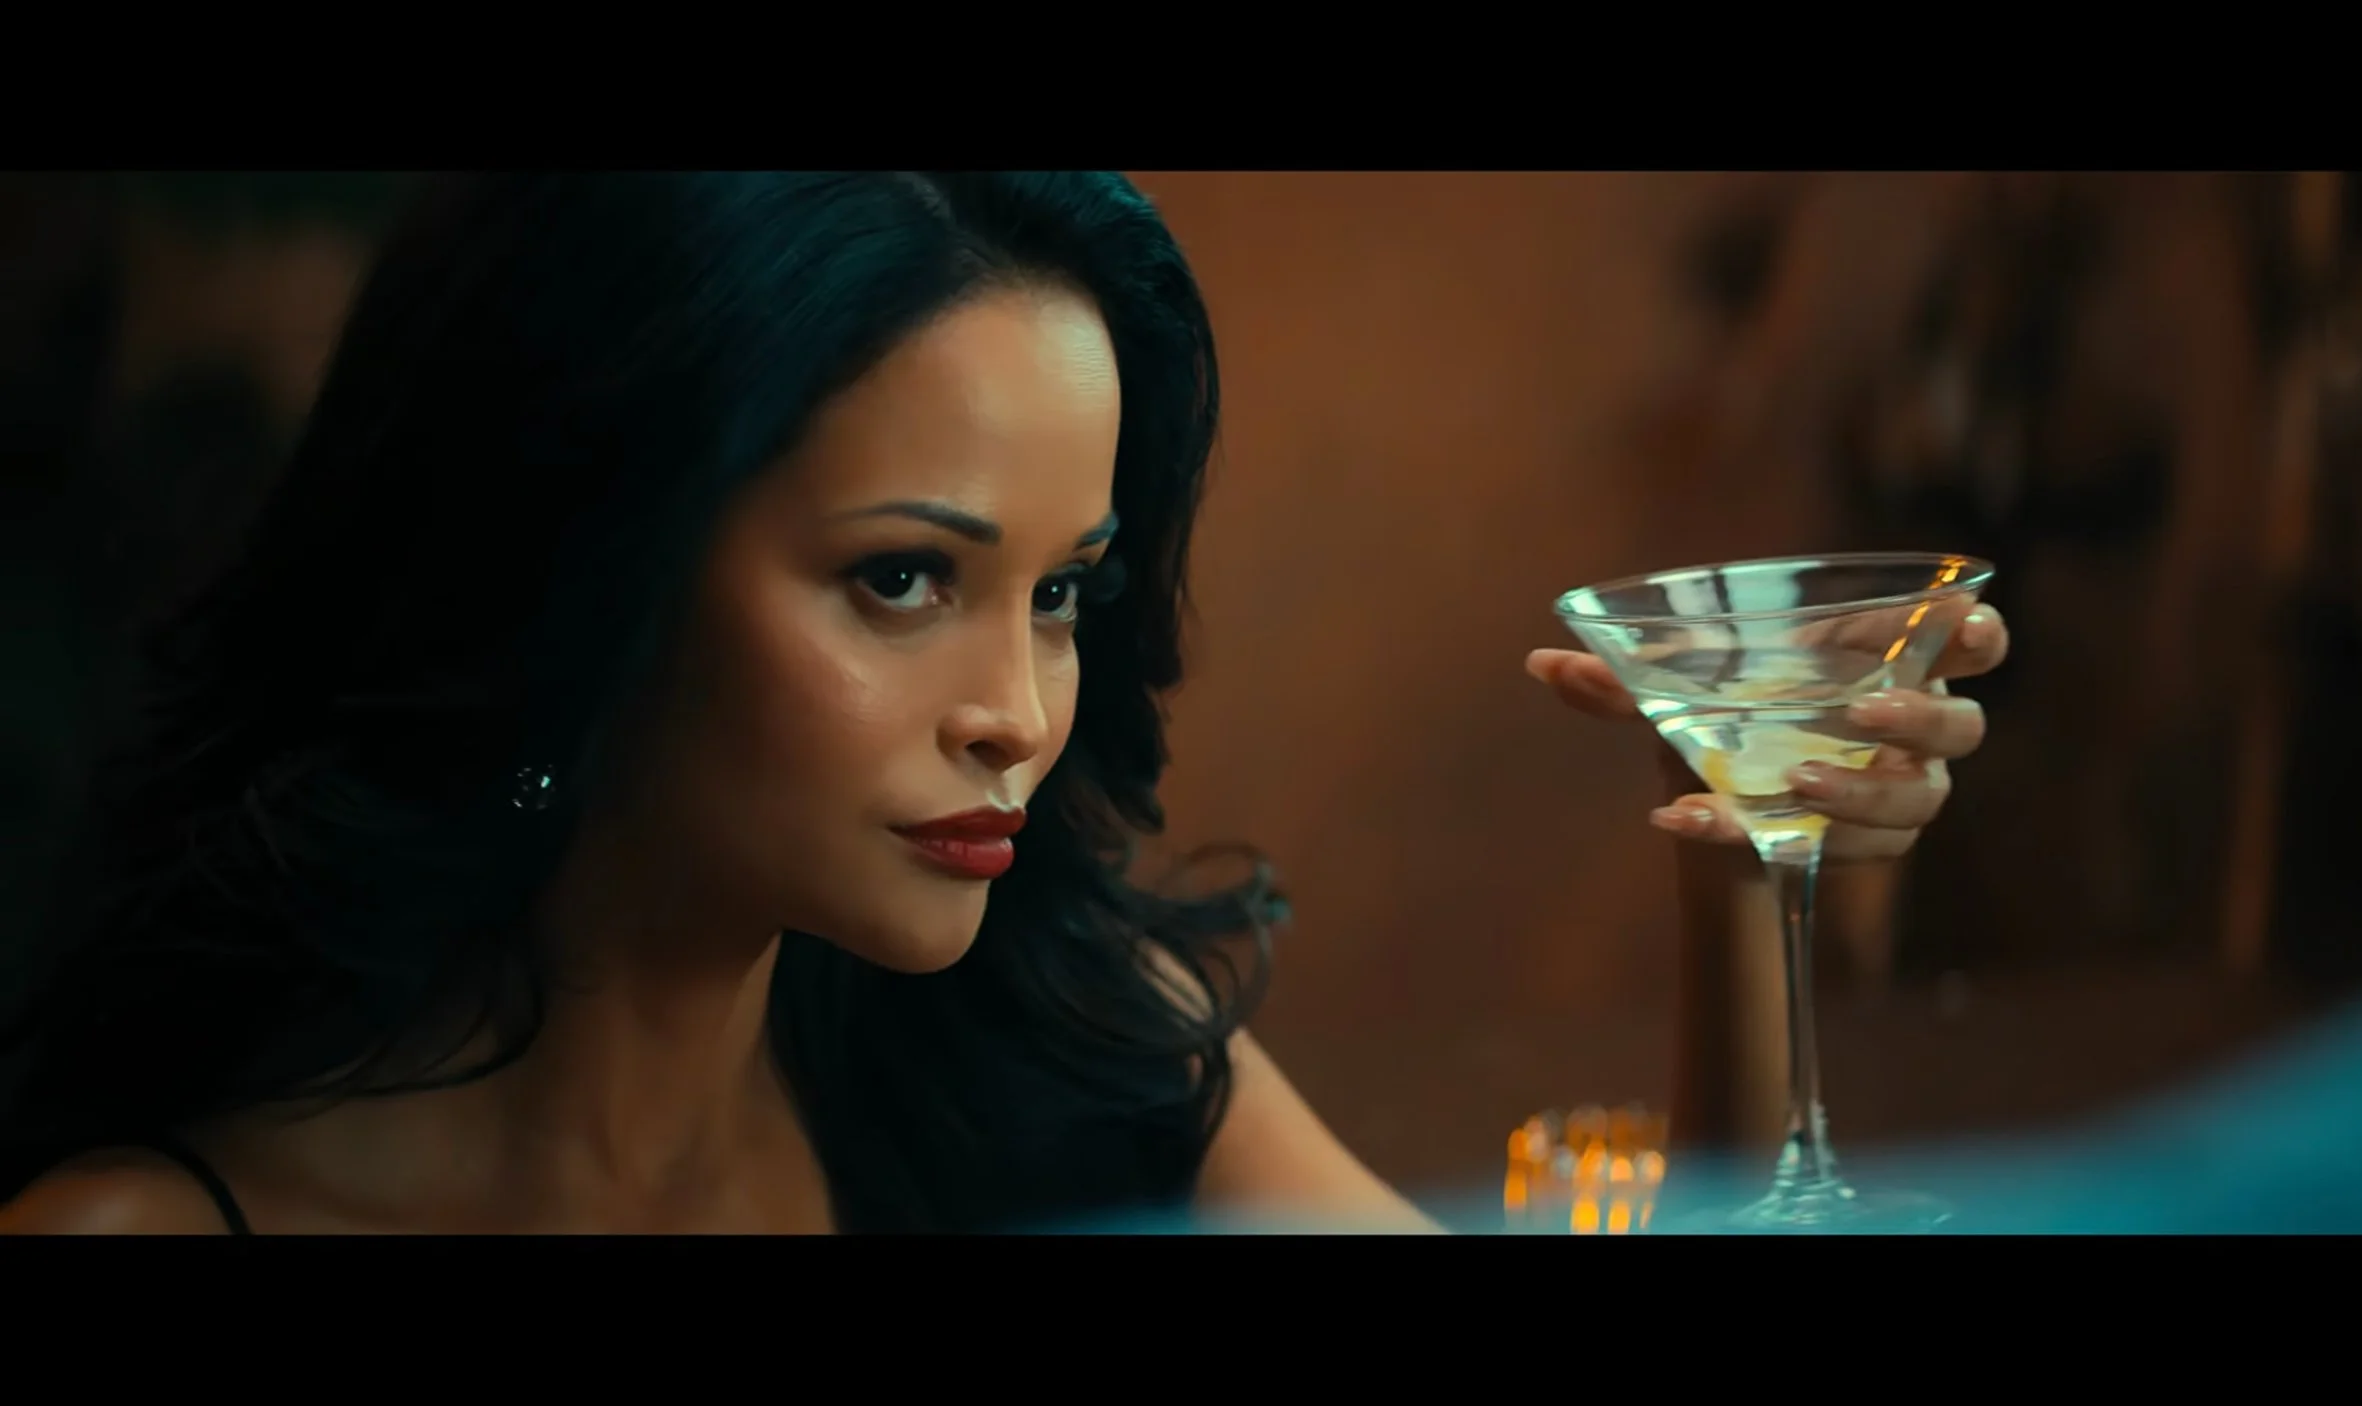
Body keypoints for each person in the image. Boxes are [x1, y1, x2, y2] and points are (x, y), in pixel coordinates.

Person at [0, 173, 2009, 1235]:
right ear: (585, 556)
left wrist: (1748, 849)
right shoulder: (155, 1230)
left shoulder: (1056, 1078)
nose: (1016, 711)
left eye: (1062, 594)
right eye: (903, 579)